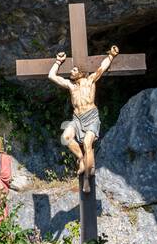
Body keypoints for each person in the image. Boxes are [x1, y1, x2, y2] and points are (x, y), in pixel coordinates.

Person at [47, 46, 119, 191]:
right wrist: (58, 61)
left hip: (91, 117)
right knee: (65, 137)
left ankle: (87, 179)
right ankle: (81, 158)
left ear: (81, 73)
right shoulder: (71, 86)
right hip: (77, 119)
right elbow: (51, 76)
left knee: (87, 144)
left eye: (74, 70)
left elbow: (102, 67)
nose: (71, 72)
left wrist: (111, 55)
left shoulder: (90, 80)